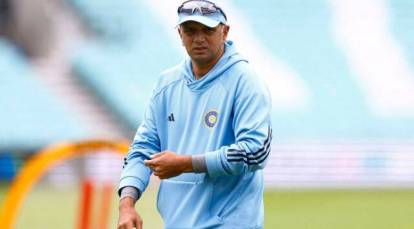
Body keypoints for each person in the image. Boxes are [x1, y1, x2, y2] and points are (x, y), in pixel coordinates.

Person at [117, 0, 272, 228]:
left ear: (224, 31)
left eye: (208, 30)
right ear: (180, 34)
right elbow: (143, 148)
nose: (199, 38)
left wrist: (186, 164)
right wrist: (127, 205)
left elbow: (255, 152)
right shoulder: (166, 84)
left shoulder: (245, 81)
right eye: (190, 30)